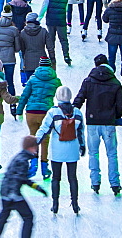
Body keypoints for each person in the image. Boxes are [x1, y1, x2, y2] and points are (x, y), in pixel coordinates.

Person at [73, 53, 122, 196]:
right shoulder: (115, 83)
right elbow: (120, 103)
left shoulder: (89, 81)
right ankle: (115, 183)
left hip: (92, 122)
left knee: (93, 153)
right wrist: (116, 117)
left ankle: (95, 182)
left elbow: (80, 98)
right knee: (112, 154)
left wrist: (71, 111)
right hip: (108, 123)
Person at [35, 86, 86, 214]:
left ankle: (55, 204)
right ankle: (75, 204)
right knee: (72, 178)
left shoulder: (53, 113)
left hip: (57, 150)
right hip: (73, 150)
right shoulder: (77, 112)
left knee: (56, 178)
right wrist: (82, 146)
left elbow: (44, 129)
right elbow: (81, 132)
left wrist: (35, 142)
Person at [0, 135, 48, 238]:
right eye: (35, 147)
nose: (36, 150)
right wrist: (38, 188)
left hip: (5, 192)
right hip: (13, 194)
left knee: (3, 216)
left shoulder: (20, 157)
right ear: (30, 148)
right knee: (28, 216)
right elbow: (22, 179)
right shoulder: (23, 161)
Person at [16, 56, 62, 179]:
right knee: (45, 139)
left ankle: (33, 166)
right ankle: (44, 168)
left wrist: (19, 110)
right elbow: (61, 97)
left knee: (33, 138)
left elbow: (25, 95)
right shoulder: (56, 80)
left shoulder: (33, 79)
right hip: (46, 114)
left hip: (31, 112)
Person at [38, 0, 72, 66]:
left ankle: (52, 58)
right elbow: (66, 9)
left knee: (51, 40)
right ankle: (66, 56)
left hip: (51, 21)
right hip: (61, 21)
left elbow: (44, 8)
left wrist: (39, 19)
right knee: (63, 40)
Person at [18, 13, 54, 87]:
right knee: (42, 86)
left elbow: (22, 49)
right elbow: (50, 48)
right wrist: (52, 60)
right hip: (42, 63)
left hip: (28, 62)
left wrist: (24, 59)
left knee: (30, 87)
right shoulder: (43, 31)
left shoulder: (22, 33)